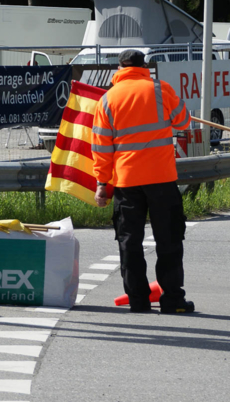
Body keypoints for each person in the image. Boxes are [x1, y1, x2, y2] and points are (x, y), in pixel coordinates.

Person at [92, 49, 194, 314]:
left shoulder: (107, 99)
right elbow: (183, 120)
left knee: (130, 242)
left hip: (127, 181)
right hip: (161, 178)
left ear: (120, 68)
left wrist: (102, 183)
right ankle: (172, 300)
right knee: (169, 240)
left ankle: (138, 300)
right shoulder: (161, 89)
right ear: (144, 66)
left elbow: (101, 147)